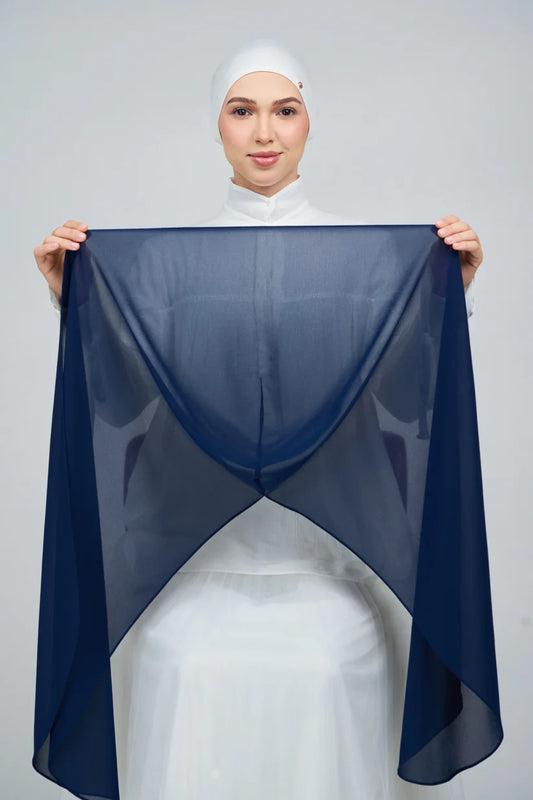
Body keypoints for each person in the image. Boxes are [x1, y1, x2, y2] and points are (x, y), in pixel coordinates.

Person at [34, 38, 482, 800]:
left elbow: (408, 411)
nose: (265, 133)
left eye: (285, 110)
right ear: (217, 125)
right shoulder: (160, 268)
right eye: (242, 111)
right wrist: (70, 302)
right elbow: (121, 412)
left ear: (310, 122)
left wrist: (447, 301)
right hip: (194, 580)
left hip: (330, 577)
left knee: (328, 679)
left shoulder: (378, 263)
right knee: (182, 670)